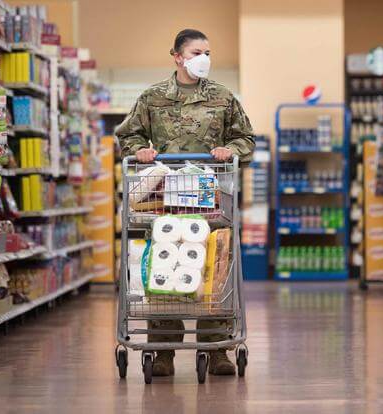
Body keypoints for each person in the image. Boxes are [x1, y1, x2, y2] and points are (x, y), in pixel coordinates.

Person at [116, 29, 255, 377]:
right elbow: (128, 135)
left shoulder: (223, 98)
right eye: (196, 52)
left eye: (207, 52)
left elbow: (246, 139)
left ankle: (218, 347)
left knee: (215, 264)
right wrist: (140, 151)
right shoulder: (153, 97)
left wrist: (230, 150)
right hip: (163, 197)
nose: (203, 58)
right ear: (177, 56)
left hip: (211, 196)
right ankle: (163, 351)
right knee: (168, 262)